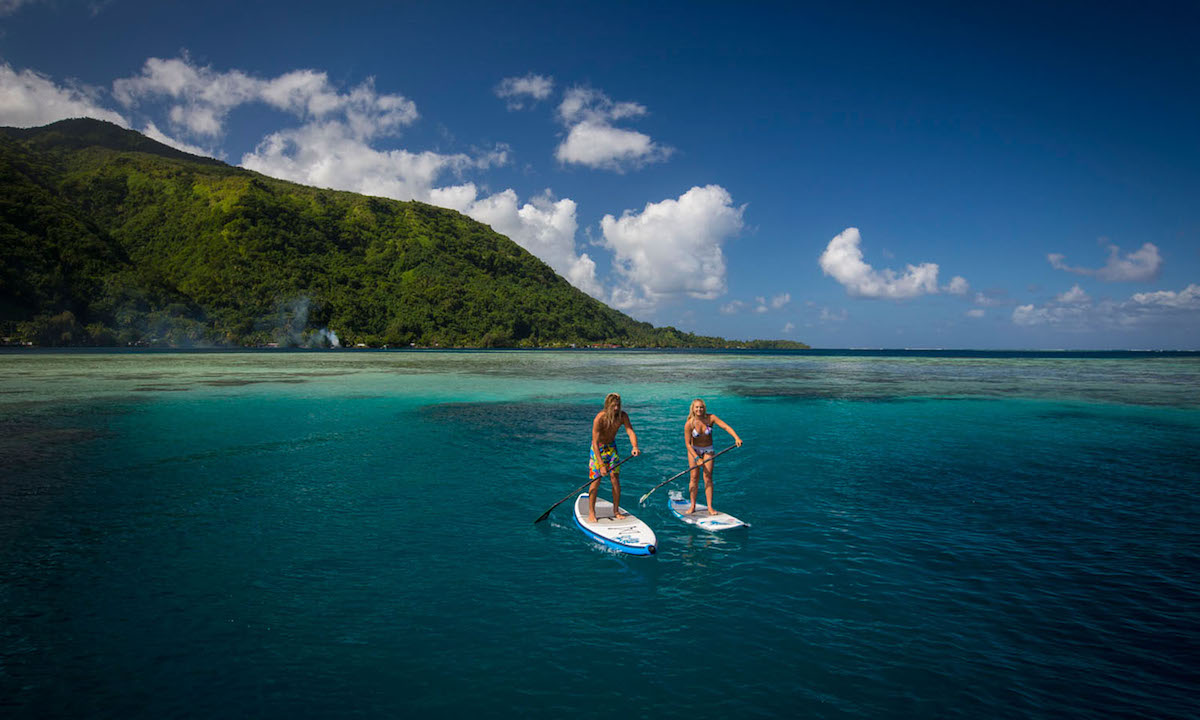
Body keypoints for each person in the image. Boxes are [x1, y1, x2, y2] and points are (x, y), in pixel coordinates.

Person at [683, 398, 742, 515]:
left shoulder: (711, 418)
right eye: (697, 407)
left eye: (701, 407)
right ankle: (693, 505)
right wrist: (696, 458)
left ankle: (710, 507)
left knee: (708, 477)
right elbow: (687, 444)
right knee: (694, 478)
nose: (699, 409)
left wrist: (736, 437)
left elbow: (726, 427)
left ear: (704, 408)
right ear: (693, 409)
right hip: (694, 451)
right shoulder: (689, 423)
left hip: (708, 449)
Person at [588, 392, 640, 523]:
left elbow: (630, 431)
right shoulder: (600, 418)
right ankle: (591, 512)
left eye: (618, 405)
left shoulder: (622, 416)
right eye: (613, 406)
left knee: (615, 479)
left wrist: (634, 446)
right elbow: (594, 442)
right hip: (598, 449)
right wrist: (600, 464)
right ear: (607, 405)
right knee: (596, 479)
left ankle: (616, 510)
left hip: (611, 448)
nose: (616, 408)